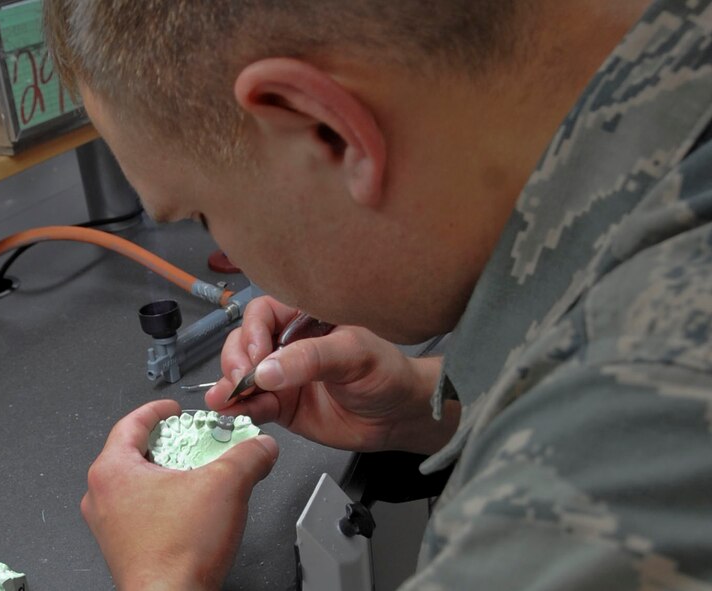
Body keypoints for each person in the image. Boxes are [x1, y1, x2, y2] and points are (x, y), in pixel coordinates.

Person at [43, 1, 712, 589]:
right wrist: (435, 411)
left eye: (201, 215)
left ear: (325, 131)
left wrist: (164, 575)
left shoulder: (602, 471)